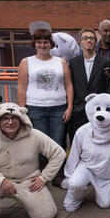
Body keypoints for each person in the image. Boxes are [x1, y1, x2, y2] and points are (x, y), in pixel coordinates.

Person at [0, 103, 66, 218]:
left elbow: (58, 153)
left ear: (21, 120)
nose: (10, 122)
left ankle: (31, 202)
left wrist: (44, 177)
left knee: (46, 215)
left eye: (14, 118)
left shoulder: (35, 135)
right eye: (5, 118)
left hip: (28, 182)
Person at [17, 24, 73, 157]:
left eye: (46, 42)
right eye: (39, 42)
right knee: (39, 143)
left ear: (51, 44)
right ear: (34, 44)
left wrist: (69, 107)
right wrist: (22, 110)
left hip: (59, 109)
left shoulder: (61, 62)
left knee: (57, 142)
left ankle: (56, 172)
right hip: (35, 109)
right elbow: (21, 88)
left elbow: (69, 85)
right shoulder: (26, 62)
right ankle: (42, 173)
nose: (42, 45)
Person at [67, 28, 110, 143]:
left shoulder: (105, 62)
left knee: (97, 142)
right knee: (78, 143)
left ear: (95, 41)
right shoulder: (73, 63)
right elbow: (70, 85)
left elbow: (109, 86)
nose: (89, 41)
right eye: (85, 38)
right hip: (78, 110)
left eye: (91, 38)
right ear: (80, 42)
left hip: (97, 111)